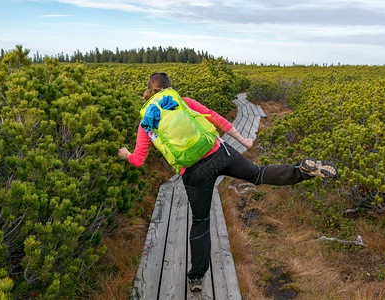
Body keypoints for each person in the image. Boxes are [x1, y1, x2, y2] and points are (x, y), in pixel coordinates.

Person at [118, 72, 337, 293]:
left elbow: (138, 160)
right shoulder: (181, 102)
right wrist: (243, 140)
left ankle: (196, 278)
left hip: (193, 172)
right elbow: (214, 117)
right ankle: (302, 171)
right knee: (259, 174)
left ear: (149, 90)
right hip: (219, 152)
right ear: (169, 87)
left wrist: (126, 154)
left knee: (201, 221)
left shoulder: (146, 122)